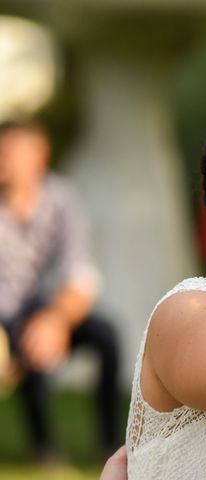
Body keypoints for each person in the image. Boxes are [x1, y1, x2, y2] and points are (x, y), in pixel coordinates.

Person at [0, 121, 121, 460]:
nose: (2, 160)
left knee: (106, 336)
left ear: (40, 157)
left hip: (51, 309)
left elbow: (81, 275)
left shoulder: (62, 200)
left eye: (10, 153)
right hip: (5, 317)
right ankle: (44, 448)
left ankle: (109, 442)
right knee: (27, 335)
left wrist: (56, 320)